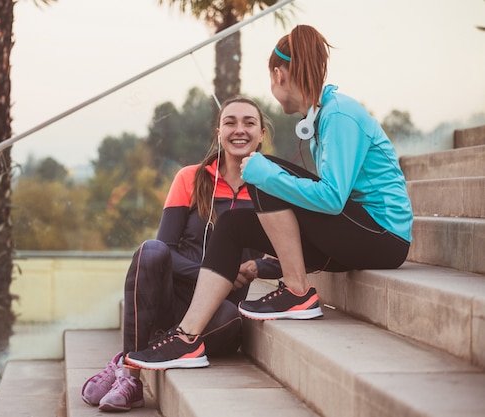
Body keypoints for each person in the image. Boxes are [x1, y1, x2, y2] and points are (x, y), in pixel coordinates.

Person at [124, 24, 414, 371]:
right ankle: (186, 339)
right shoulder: (324, 116)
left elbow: (334, 198)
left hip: (384, 236)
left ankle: (297, 291)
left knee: (260, 171)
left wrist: (265, 173)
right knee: (232, 224)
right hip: (355, 233)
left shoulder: (340, 113)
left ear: (279, 74)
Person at [81, 97, 282, 412]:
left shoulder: (273, 188)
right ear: (219, 131)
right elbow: (165, 251)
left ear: (261, 134)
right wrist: (220, 275)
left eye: (248, 123)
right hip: (173, 300)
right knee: (150, 249)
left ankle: (132, 356)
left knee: (231, 320)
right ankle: (131, 376)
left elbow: (289, 258)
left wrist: (257, 265)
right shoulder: (190, 178)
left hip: (218, 314)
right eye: (230, 122)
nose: (239, 130)